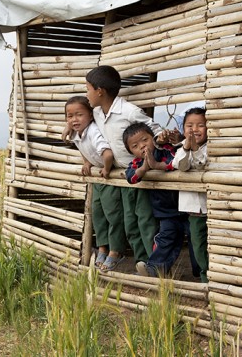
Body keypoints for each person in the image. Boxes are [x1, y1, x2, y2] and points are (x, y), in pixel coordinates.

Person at [82, 66, 163, 266]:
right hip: (121, 178)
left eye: (88, 89)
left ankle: (155, 264)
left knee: (145, 220)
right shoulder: (97, 113)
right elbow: (80, 120)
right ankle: (141, 262)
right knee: (129, 223)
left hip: (139, 175)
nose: (87, 94)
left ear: (100, 91)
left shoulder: (128, 111)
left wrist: (149, 155)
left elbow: (156, 131)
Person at [65, 96, 125, 272]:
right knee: (98, 215)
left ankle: (116, 252)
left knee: (112, 215)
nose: (74, 119)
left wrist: (106, 169)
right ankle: (102, 248)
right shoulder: (78, 133)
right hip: (98, 180)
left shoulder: (93, 131)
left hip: (109, 178)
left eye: (79, 114)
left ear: (91, 116)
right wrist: (87, 162)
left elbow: (107, 154)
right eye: (70, 116)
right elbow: (82, 148)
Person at [123, 122, 190, 277]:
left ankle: (200, 272)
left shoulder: (165, 151)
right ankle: (155, 269)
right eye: (135, 145)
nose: (142, 146)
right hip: (165, 212)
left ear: (152, 138)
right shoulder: (136, 163)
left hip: (186, 207)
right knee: (166, 239)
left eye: (145, 140)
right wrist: (145, 168)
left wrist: (157, 164)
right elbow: (131, 178)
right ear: (130, 151)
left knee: (193, 240)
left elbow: (175, 162)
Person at [174, 107, 208, 283]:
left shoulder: (212, 148)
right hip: (193, 209)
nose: (194, 129)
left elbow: (202, 164)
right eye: (189, 125)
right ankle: (205, 278)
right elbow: (180, 165)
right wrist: (188, 147)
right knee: (198, 244)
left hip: (212, 206)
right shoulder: (181, 148)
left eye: (200, 125)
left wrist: (195, 149)